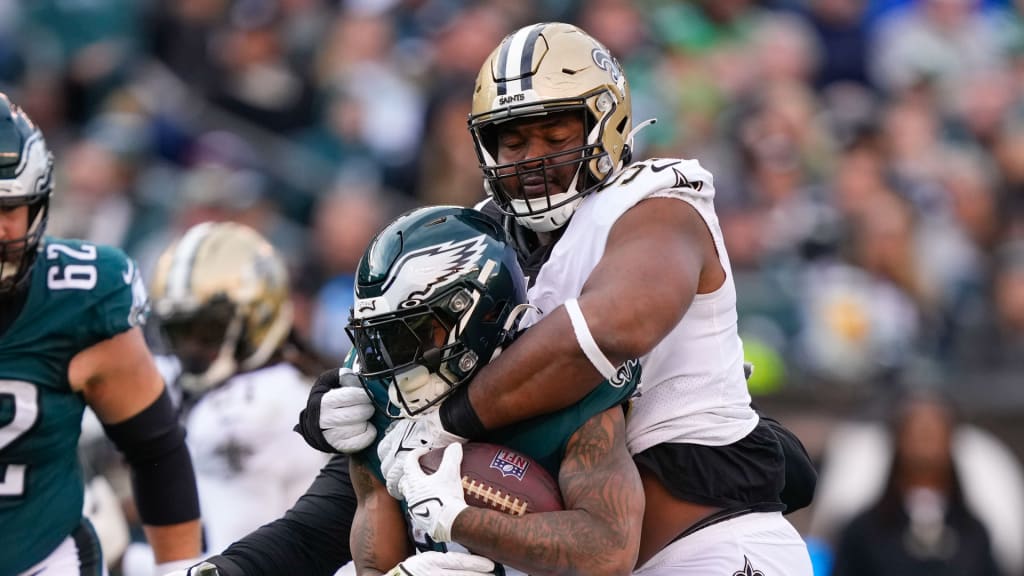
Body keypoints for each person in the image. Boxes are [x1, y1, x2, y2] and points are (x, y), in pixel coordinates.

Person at [320, 22, 815, 575]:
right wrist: (352, 398)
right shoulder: (480, 236)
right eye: (513, 140)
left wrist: (447, 418)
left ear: (608, 123)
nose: (532, 159)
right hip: (563, 546)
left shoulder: (657, 202)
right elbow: (396, 367)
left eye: (555, 137)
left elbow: (609, 328)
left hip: (711, 546)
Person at [344, 205, 643, 575]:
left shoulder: (563, 388)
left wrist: (459, 521)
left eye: (412, 334)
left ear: (478, 313)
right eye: (379, 339)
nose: (391, 364)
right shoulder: (375, 392)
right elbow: (374, 562)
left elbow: (610, 553)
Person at [0, 92, 203, 575]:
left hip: (40, 558)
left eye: (10, 206)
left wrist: (177, 570)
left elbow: (154, 447)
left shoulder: (79, 300)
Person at [119, 221, 330, 573]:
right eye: (180, 332)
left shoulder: (245, 411)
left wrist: (119, 557)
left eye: (206, 333)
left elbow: (226, 567)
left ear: (256, 320)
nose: (191, 349)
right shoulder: (283, 379)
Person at [830, 389, 1002, 576]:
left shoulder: (973, 533)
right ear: (898, 440)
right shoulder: (864, 532)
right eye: (916, 431)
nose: (925, 440)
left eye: (935, 432)